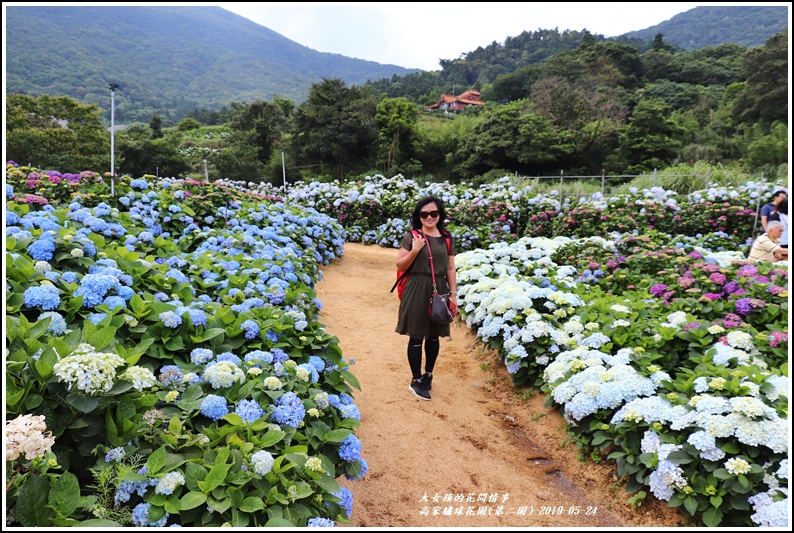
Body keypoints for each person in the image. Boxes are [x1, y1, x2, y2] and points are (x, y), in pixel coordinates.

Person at [395, 195, 457, 401]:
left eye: (433, 213)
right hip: (416, 287)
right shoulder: (412, 236)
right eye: (424, 214)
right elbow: (400, 265)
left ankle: (428, 375)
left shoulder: (447, 238)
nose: (429, 217)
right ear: (418, 216)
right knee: (416, 335)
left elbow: (450, 267)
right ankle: (416, 380)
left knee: (434, 334)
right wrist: (415, 250)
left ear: (440, 214)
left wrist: (453, 294)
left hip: (439, 288)